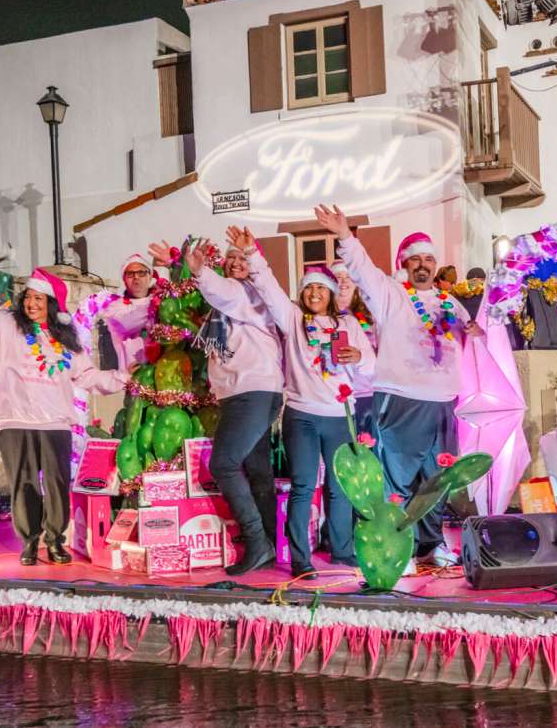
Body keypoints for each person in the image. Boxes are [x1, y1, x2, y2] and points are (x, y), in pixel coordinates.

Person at [315, 205, 481, 570]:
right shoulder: (390, 294)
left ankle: (431, 545)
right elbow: (362, 270)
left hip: (443, 404)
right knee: (398, 482)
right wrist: (345, 235)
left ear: (435, 265)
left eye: (428, 259)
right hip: (402, 400)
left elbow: (473, 339)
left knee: (438, 481)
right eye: (414, 259)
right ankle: (395, 547)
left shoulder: (451, 303)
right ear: (405, 265)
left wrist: (477, 333)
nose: (422, 264)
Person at [229, 227, 375, 579]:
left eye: (320, 288)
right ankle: (301, 560)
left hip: (340, 416)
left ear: (330, 294)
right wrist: (252, 254)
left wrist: (357, 357)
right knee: (304, 485)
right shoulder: (293, 319)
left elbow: (371, 366)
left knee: (340, 489)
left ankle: (341, 551)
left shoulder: (349, 323)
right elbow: (268, 287)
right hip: (302, 416)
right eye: (308, 287)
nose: (313, 293)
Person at [0, 248, 131, 566]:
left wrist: (123, 377)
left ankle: (56, 540)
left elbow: (88, 376)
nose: (31, 303)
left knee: (57, 483)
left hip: (56, 421)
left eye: (39, 299)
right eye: (28, 297)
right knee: (24, 483)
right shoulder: (7, 328)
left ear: (51, 305)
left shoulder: (67, 343)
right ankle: (30, 542)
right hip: (16, 420)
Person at [149, 233, 284, 575]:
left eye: (243, 257)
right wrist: (179, 263)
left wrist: (198, 272)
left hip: (252, 391)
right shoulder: (231, 302)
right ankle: (269, 541)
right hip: (247, 392)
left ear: (252, 261)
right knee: (256, 470)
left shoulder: (245, 293)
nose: (236, 262)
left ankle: (257, 541)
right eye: (231, 257)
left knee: (223, 463)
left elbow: (218, 290)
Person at [330, 259, 377, 436]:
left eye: (347, 277)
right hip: (334, 393)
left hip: (366, 393)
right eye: (337, 277)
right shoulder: (322, 316)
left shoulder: (370, 315)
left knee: (366, 449)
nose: (342, 283)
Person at [95, 253, 156, 371]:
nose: (136, 277)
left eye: (142, 273)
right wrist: (156, 299)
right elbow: (127, 323)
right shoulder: (114, 307)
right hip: (131, 374)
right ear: (124, 280)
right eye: (130, 274)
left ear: (150, 277)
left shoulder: (159, 301)